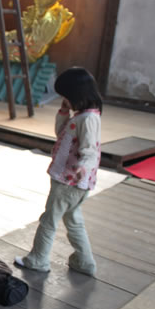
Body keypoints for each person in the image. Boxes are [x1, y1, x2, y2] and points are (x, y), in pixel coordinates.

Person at [15, 67, 102, 276]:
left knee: (49, 221)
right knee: (73, 221)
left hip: (68, 181)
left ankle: (38, 259)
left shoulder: (87, 119)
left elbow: (90, 149)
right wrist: (63, 113)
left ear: (77, 96)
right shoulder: (81, 116)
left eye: (66, 97)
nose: (65, 100)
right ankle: (85, 262)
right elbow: (61, 134)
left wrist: (83, 166)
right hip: (73, 182)